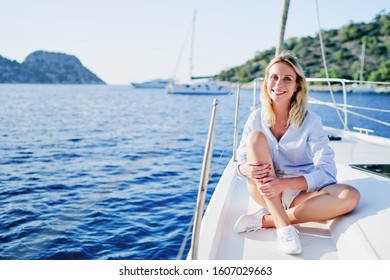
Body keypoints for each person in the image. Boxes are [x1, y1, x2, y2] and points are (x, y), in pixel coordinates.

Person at [233, 52, 360, 255]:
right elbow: (239, 163)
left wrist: (284, 185)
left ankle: (266, 221)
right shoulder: (255, 118)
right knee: (255, 138)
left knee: (349, 196)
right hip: (262, 190)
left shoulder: (312, 122)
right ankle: (284, 228)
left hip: (297, 193)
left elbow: (327, 172)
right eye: (274, 77)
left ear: (297, 86)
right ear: (266, 81)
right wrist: (246, 169)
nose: (278, 83)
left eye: (287, 79)